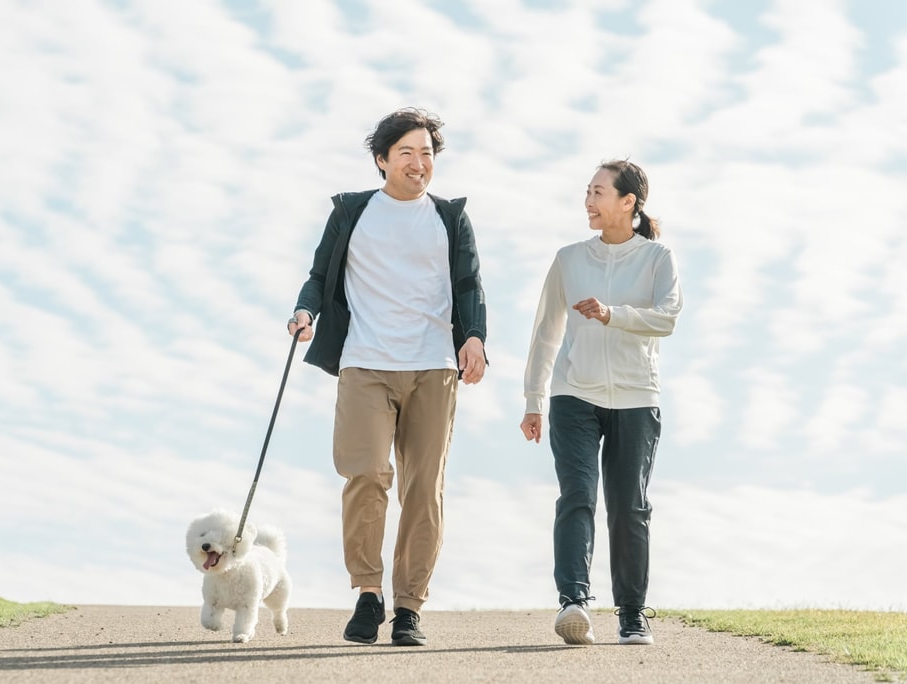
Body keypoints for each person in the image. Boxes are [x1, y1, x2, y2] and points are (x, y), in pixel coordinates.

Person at [287, 107, 488, 647]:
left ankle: (408, 608)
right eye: (407, 153)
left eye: (427, 154)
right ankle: (368, 593)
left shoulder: (449, 218)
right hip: (365, 362)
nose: (419, 163)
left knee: (425, 490)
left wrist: (474, 337)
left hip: (433, 368)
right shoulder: (352, 213)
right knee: (367, 474)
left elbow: (468, 284)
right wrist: (306, 312)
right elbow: (318, 274)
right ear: (382, 160)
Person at [520, 159, 682, 646]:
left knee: (629, 507)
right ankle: (573, 601)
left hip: (636, 396)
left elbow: (667, 318)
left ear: (628, 202)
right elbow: (547, 332)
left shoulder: (658, 258)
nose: (588, 202)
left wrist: (613, 315)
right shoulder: (569, 258)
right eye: (586, 192)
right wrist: (534, 399)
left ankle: (632, 613)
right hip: (575, 393)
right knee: (577, 495)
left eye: (598, 192)